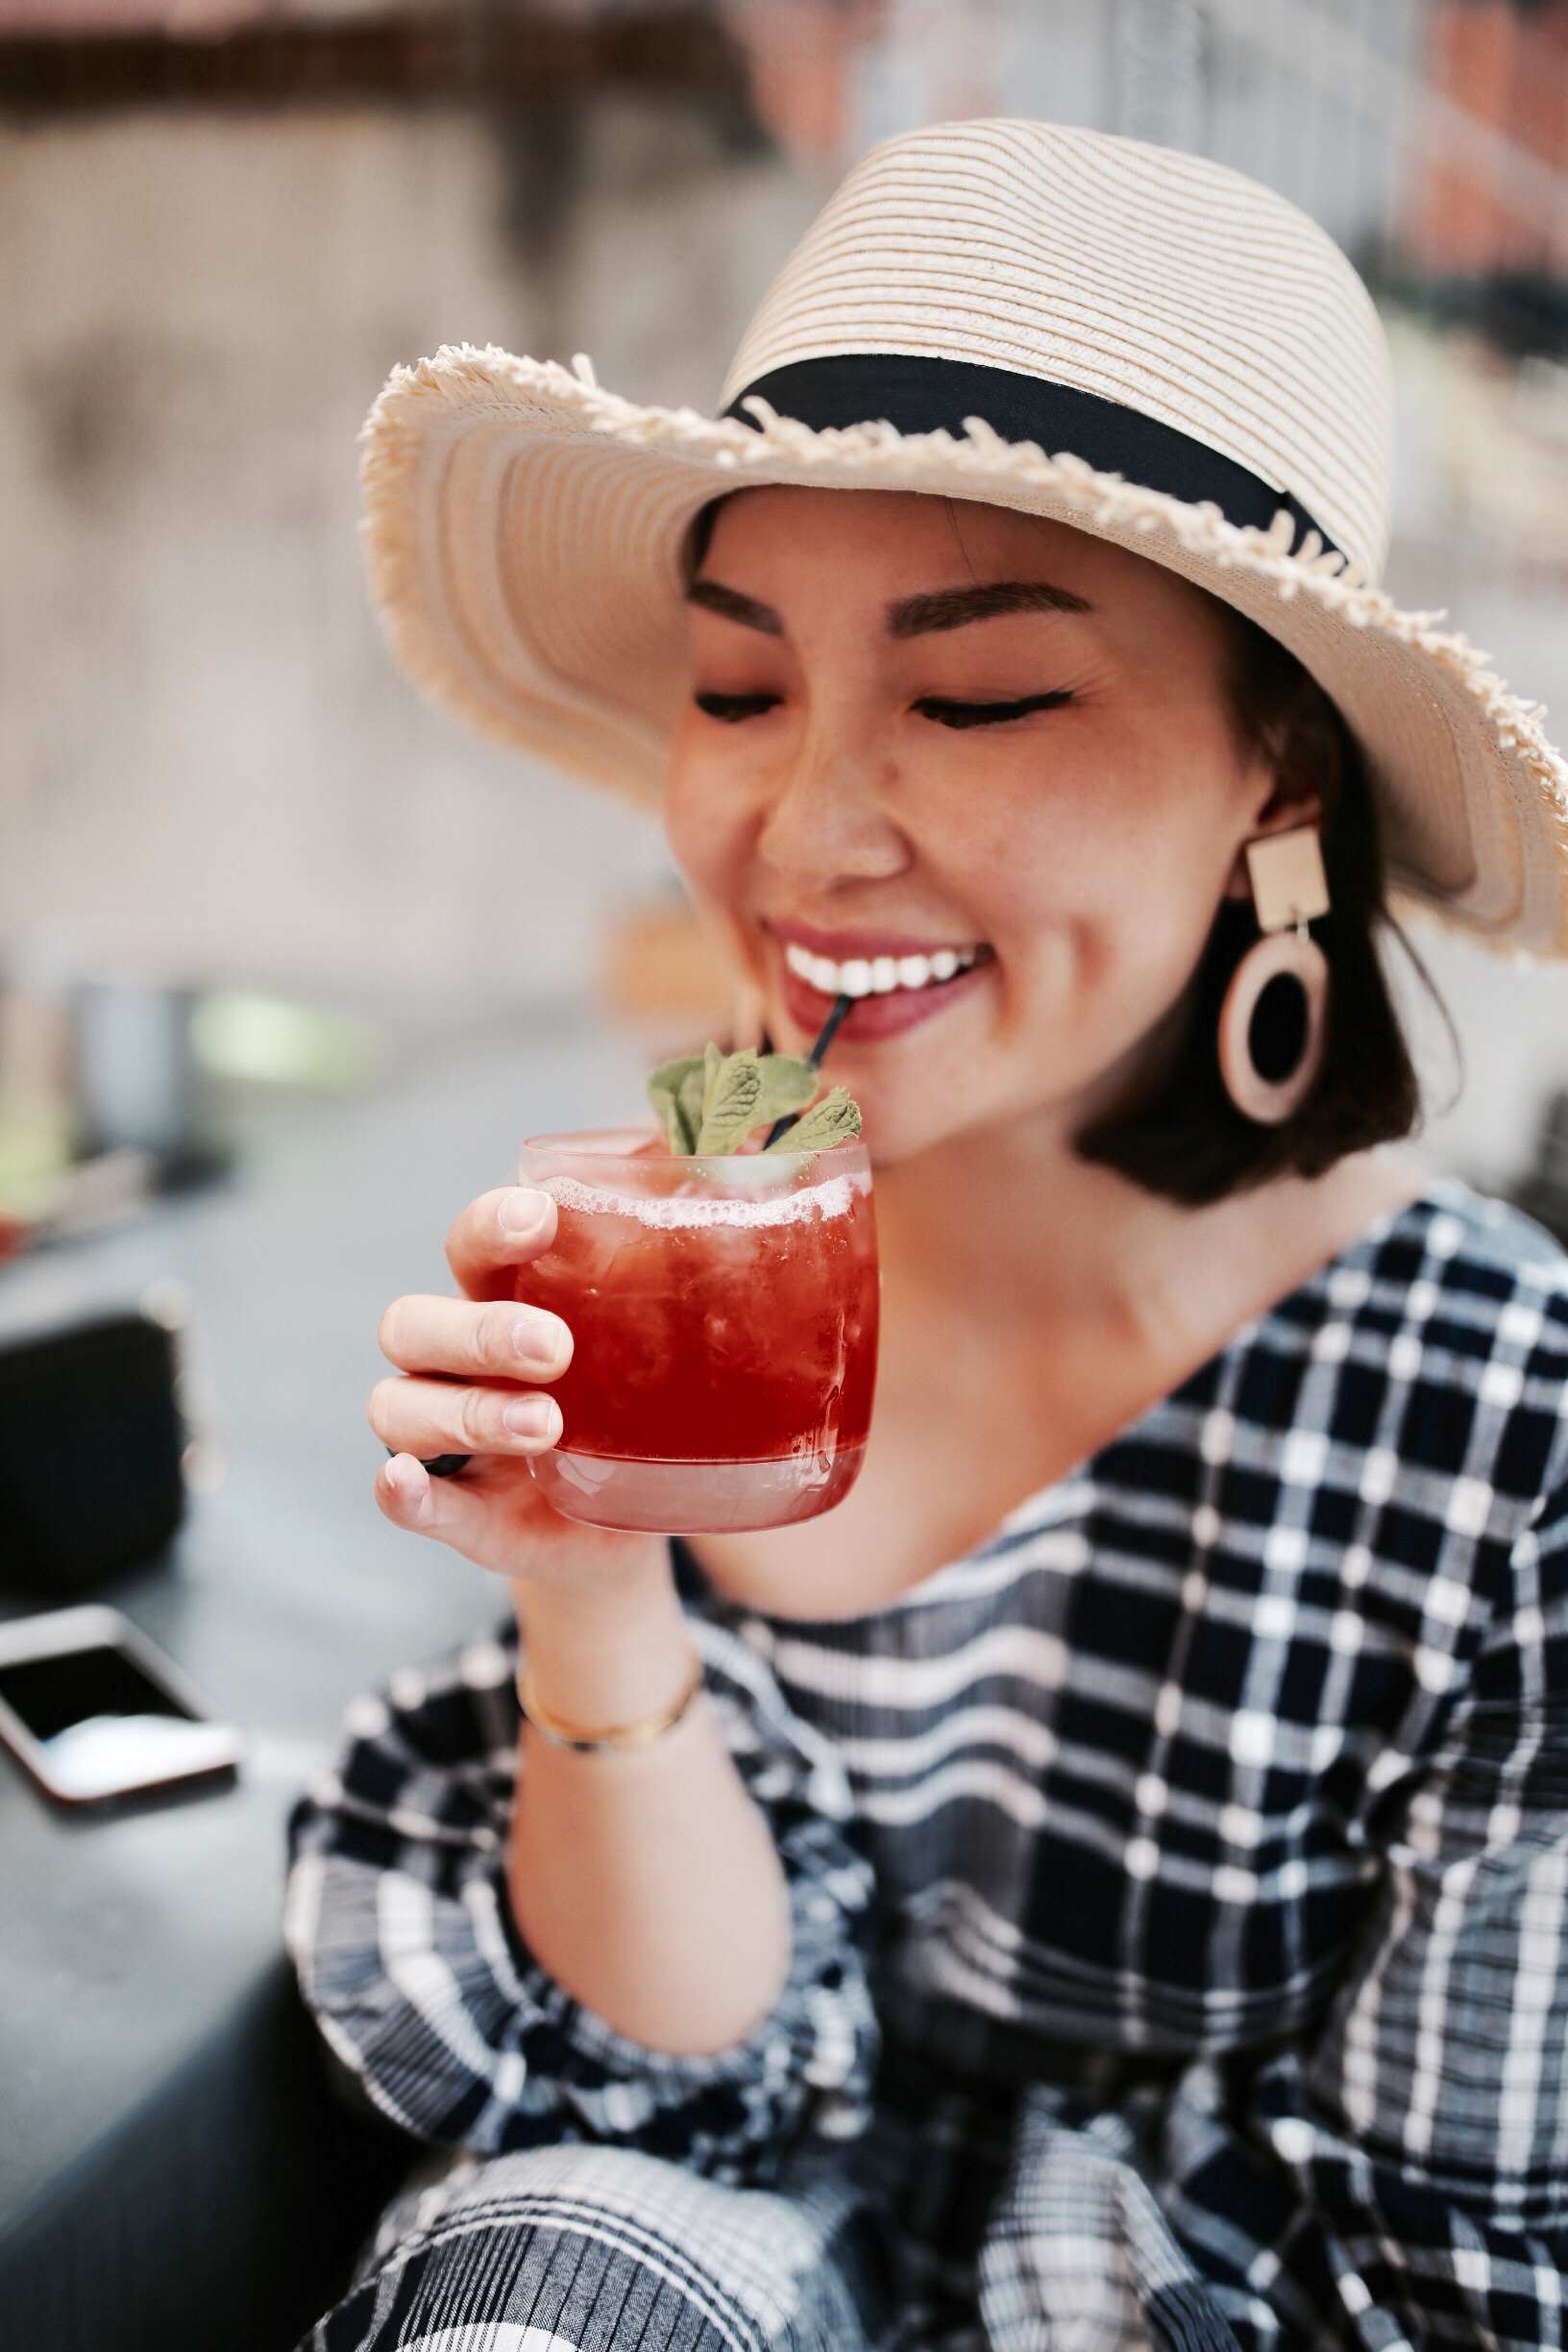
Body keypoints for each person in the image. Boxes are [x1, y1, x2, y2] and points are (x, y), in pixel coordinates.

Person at [286, 123, 1568, 2352]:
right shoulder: (694, 1247)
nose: (798, 833)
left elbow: (1452, 2284)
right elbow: (678, 2098)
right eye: (736, 684)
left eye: (976, 699)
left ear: (1280, 764)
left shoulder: (1503, 1438)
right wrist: (591, 1584)